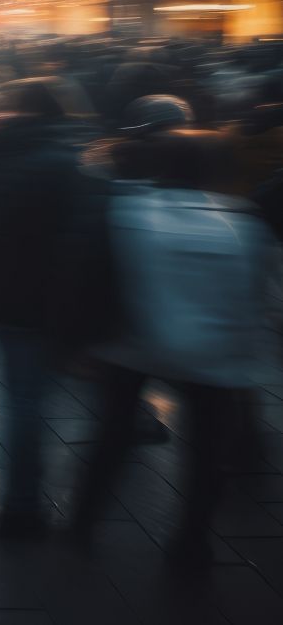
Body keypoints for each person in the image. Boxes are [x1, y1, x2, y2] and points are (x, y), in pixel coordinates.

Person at [71, 129, 272, 571]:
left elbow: (97, 279)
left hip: (133, 344)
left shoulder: (127, 211)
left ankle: (83, 523)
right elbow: (252, 294)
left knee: (113, 438)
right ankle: (191, 542)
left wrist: (85, 342)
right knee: (205, 452)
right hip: (213, 355)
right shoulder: (240, 220)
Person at [0, 77, 83, 536]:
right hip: (44, 299)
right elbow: (74, 242)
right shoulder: (63, 161)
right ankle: (22, 504)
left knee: (17, 399)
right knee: (32, 402)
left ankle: (20, 500)